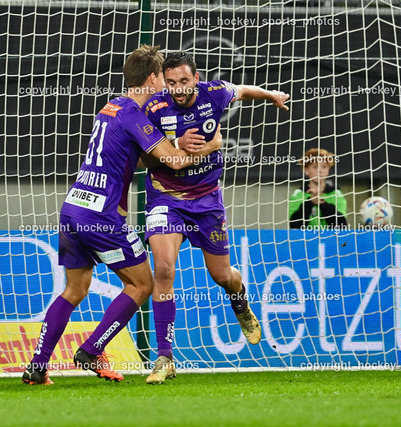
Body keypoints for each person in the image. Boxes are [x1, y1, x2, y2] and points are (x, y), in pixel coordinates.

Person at [22, 45, 221, 385]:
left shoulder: (109, 108)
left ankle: (37, 367)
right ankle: (91, 350)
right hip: (100, 216)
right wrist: (213, 144)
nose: (168, 87)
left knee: (75, 289)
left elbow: (139, 158)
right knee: (143, 283)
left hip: (73, 207)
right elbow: (172, 161)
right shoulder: (134, 114)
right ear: (153, 78)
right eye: (164, 78)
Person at [142, 51, 290, 385]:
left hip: (207, 200)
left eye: (184, 81)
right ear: (164, 82)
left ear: (195, 78)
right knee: (163, 269)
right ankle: (164, 357)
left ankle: (240, 302)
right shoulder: (154, 109)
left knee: (222, 275)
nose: (178, 89)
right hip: (166, 198)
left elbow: (243, 90)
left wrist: (271, 96)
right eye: (171, 83)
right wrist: (174, 143)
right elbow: (141, 156)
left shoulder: (215, 93)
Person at [289, 148, 347, 229]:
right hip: (305, 240)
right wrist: (310, 202)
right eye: (315, 167)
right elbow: (294, 226)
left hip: (330, 240)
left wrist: (322, 203)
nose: (320, 171)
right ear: (306, 170)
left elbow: (341, 226)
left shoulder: (336, 194)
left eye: (324, 167)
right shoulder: (297, 195)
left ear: (328, 170)